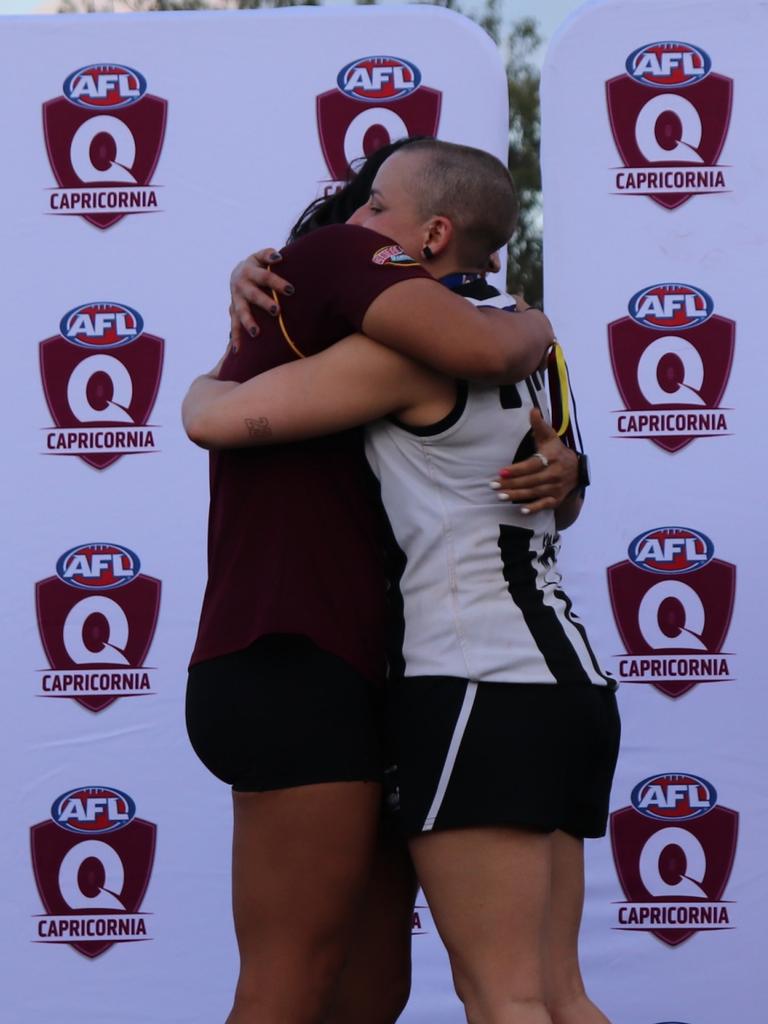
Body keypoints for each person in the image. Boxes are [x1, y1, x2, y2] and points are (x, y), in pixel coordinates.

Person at [184, 139, 619, 1024]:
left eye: (376, 210)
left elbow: (219, 419)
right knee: (521, 991)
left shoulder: (431, 338)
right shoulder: (509, 341)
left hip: (466, 677)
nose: (357, 225)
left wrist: (202, 387)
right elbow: (544, 465)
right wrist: (539, 328)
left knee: (486, 996)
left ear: (427, 238)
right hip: (529, 672)